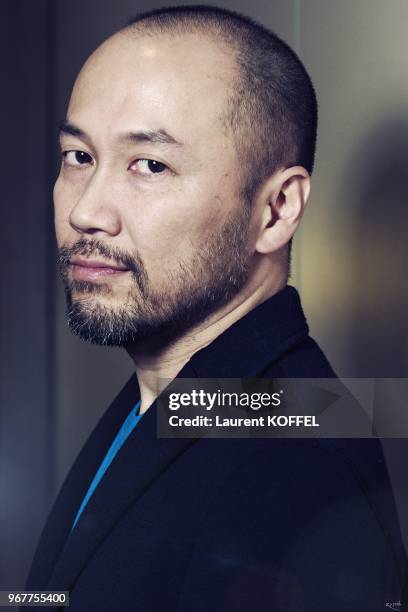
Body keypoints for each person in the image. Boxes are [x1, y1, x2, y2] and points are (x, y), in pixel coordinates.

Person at [25, 6, 407, 611]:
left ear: (276, 210)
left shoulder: (293, 470)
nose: (86, 212)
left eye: (150, 165)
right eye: (79, 157)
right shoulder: (173, 396)